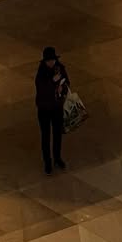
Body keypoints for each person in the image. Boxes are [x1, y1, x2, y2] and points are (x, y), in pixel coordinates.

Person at [35, 44, 70, 174]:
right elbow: (41, 90)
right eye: (49, 60)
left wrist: (62, 88)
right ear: (44, 61)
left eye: (53, 60)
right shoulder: (41, 73)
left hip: (56, 108)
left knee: (57, 135)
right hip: (44, 109)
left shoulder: (60, 68)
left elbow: (67, 83)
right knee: (45, 136)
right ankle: (47, 162)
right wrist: (53, 81)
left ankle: (57, 158)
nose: (51, 62)